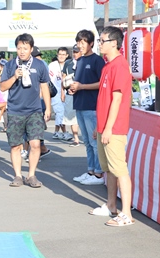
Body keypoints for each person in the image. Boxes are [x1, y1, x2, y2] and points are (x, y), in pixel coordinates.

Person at [90, 26, 134, 226]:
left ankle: (126, 214)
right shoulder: (107, 66)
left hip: (114, 128)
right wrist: (99, 127)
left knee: (119, 169)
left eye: (102, 40)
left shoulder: (120, 66)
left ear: (114, 43)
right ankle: (111, 205)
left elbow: (117, 100)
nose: (99, 44)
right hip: (104, 127)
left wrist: (108, 128)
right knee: (109, 169)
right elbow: (104, 100)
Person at [0, 33, 51, 188]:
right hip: (15, 110)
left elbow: (44, 86)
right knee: (15, 145)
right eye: (19, 48)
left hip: (34, 110)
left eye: (25, 48)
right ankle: (17, 176)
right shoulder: (10, 65)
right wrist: (15, 76)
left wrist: (48, 107)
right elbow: (2, 87)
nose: (22, 51)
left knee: (35, 144)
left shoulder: (39, 65)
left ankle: (31, 175)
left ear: (31, 49)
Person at [70, 30, 106, 185]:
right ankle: (90, 170)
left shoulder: (97, 60)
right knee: (87, 141)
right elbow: (80, 83)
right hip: (80, 104)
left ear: (91, 43)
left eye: (83, 42)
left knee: (94, 141)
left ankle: (98, 173)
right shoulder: (81, 60)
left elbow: (102, 83)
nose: (80, 45)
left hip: (92, 106)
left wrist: (82, 86)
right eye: (79, 42)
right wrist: (73, 88)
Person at [61, 45, 82, 147]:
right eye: (74, 52)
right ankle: (76, 138)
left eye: (77, 52)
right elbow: (63, 78)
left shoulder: (85, 62)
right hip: (70, 93)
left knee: (83, 116)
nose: (75, 54)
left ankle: (87, 137)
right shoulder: (68, 63)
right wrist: (62, 93)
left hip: (83, 93)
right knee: (71, 117)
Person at [49, 47, 70, 140]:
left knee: (61, 113)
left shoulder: (69, 64)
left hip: (67, 93)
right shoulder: (52, 65)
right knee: (60, 112)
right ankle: (65, 132)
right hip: (55, 93)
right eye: (60, 54)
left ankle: (56, 132)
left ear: (67, 55)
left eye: (63, 54)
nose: (61, 56)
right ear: (57, 55)